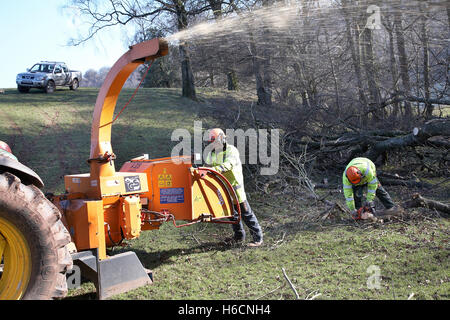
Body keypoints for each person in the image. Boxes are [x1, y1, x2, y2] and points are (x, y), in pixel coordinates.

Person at [204, 128, 263, 247]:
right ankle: (239, 237)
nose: (212, 144)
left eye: (214, 141)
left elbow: (228, 165)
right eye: (211, 142)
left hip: (236, 189)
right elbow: (207, 166)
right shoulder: (213, 153)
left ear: (221, 139)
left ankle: (258, 239)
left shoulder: (231, 151)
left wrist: (214, 170)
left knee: (246, 213)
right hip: (224, 189)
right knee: (232, 215)